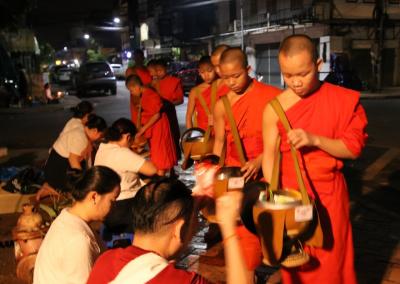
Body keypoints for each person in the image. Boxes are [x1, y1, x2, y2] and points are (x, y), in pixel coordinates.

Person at [262, 34, 367, 283]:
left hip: (328, 197)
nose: (296, 82)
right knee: (295, 264)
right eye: (288, 76)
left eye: (303, 73)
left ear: (318, 65)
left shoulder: (343, 100)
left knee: (331, 261)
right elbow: (269, 157)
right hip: (290, 197)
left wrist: (316, 139)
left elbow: (352, 149)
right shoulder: (274, 109)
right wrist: (275, 201)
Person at [87, 179, 250, 284]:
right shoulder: (185, 282)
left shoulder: (105, 261)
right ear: (179, 230)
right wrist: (229, 228)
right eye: (196, 222)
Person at [212, 47, 281, 280]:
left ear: (248, 69)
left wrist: (260, 160)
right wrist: (213, 175)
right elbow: (219, 143)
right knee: (242, 236)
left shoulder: (271, 95)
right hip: (235, 176)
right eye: (225, 77)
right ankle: (248, 275)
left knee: (273, 230)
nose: (231, 82)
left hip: (268, 171)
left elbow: (280, 138)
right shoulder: (222, 104)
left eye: (236, 76)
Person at [33, 166, 121, 284]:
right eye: (113, 200)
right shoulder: (78, 239)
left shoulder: (69, 218)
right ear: (94, 197)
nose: (115, 207)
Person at [94, 118, 157, 234]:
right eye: (132, 140)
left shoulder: (102, 148)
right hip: (123, 207)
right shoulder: (122, 153)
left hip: (104, 205)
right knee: (156, 181)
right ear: (128, 137)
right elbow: (152, 170)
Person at [36, 114, 107, 200]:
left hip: (55, 167)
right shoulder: (81, 137)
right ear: (95, 130)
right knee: (78, 189)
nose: (99, 138)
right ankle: (52, 188)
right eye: (100, 135)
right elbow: (73, 161)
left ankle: (53, 187)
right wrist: (82, 182)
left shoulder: (82, 130)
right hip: (56, 172)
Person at [126, 75, 177, 176]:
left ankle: (160, 177)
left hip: (158, 127)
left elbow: (156, 115)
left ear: (136, 86)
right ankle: (160, 176)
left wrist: (142, 130)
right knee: (157, 153)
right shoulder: (145, 95)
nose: (132, 93)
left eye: (131, 90)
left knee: (160, 154)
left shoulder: (150, 94)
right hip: (153, 127)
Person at [153, 59, 183, 161]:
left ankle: (172, 166)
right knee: (161, 141)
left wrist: (168, 104)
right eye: (156, 70)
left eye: (161, 70)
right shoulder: (153, 84)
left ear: (166, 69)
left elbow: (180, 100)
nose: (158, 73)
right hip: (157, 116)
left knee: (173, 138)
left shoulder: (174, 82)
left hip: (169, 114)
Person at [185, 55, 218, 130]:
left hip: (221, 128)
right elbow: (189, 116)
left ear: (216, 69)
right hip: (202, 131)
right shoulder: (195, 91)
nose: (206, 75)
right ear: (199, 72)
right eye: (202, 72)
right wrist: (190, 135)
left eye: (210, 71)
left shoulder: (222, 86)